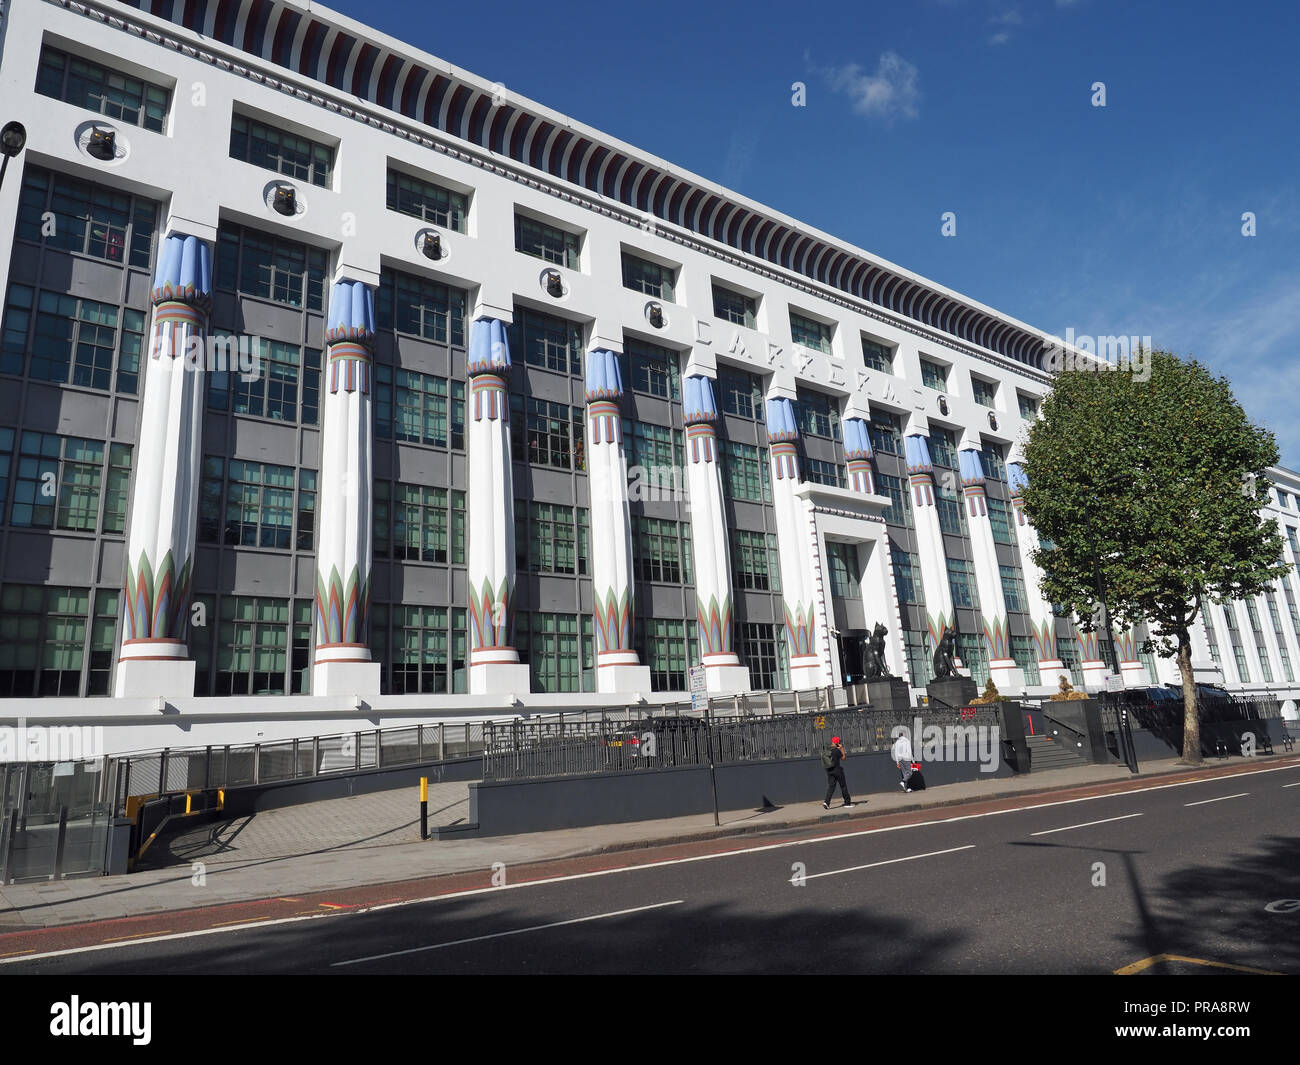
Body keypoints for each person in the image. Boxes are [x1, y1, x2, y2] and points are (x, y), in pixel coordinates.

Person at [823, 736, 856, 809]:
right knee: (843, 786)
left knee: (831, 787)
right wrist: (842, 749)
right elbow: (843, 758)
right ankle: (847, 803)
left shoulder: (828, 750)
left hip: (829, 770)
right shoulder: (836, 751)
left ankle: (826, 802)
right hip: (837, 771)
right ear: (837, 743)